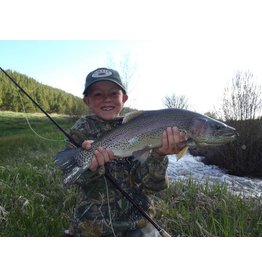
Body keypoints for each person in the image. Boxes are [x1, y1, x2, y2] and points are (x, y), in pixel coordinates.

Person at [62, 67, 186, 237]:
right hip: (92, 223)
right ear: (87, 101)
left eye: (114, 93)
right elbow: (71, 178)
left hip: (139, 221)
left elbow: (152, 186)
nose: (107, 99)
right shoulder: (79, 131)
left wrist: (158, 155)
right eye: (98, 94)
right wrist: (92, 168)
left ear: (124, 98)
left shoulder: (141, 128)